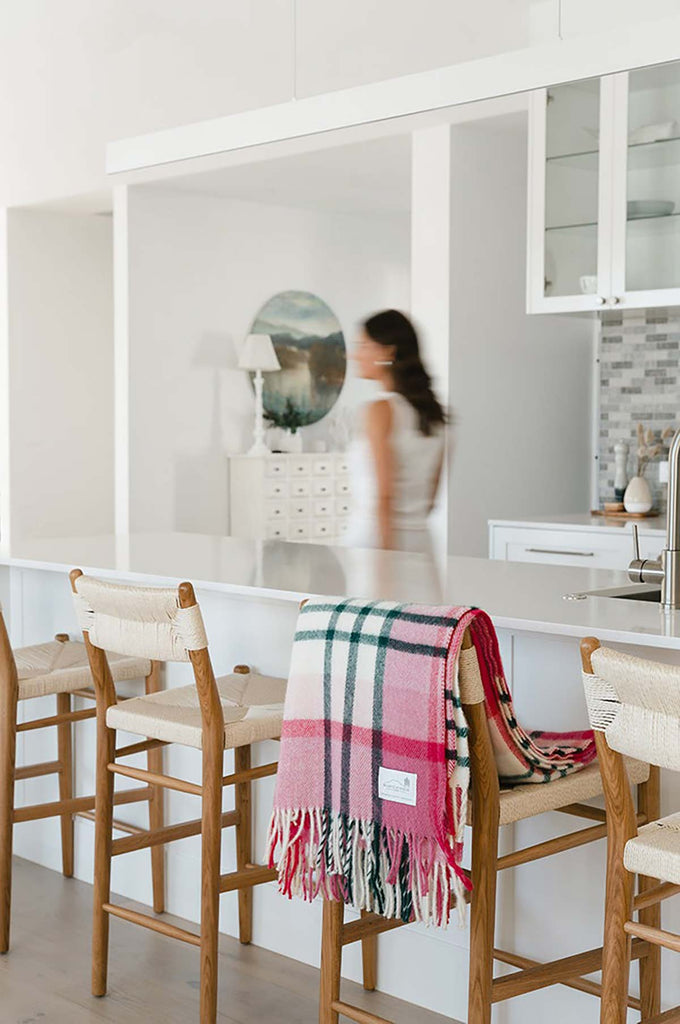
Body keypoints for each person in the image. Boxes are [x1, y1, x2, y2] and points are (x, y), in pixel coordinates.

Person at [344, 309, 446, 553]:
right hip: (421, 543)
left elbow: (385, 496)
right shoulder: (435, 415)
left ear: (387, 351)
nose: (354, 355)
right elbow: (430, 500)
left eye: (363, 345)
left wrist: (386, 563)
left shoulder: (381, 410)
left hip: (375, 544)